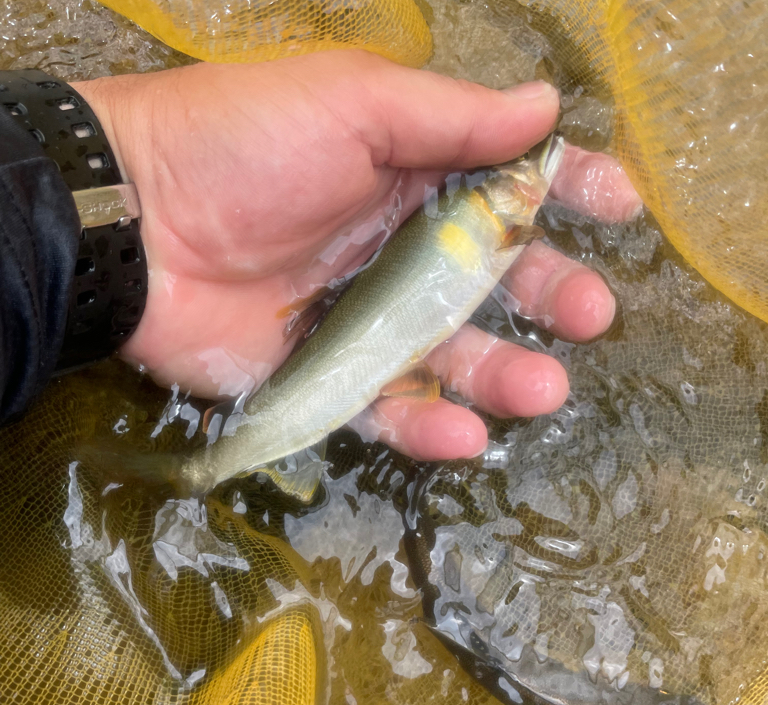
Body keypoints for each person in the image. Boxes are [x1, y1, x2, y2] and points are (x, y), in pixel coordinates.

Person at [0, 51, 640, 458]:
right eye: (523, 167)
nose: (532, 167)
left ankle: (207, 467)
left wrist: (126, 166)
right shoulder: (503, 220)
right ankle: (205, 470)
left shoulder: (498, 218)